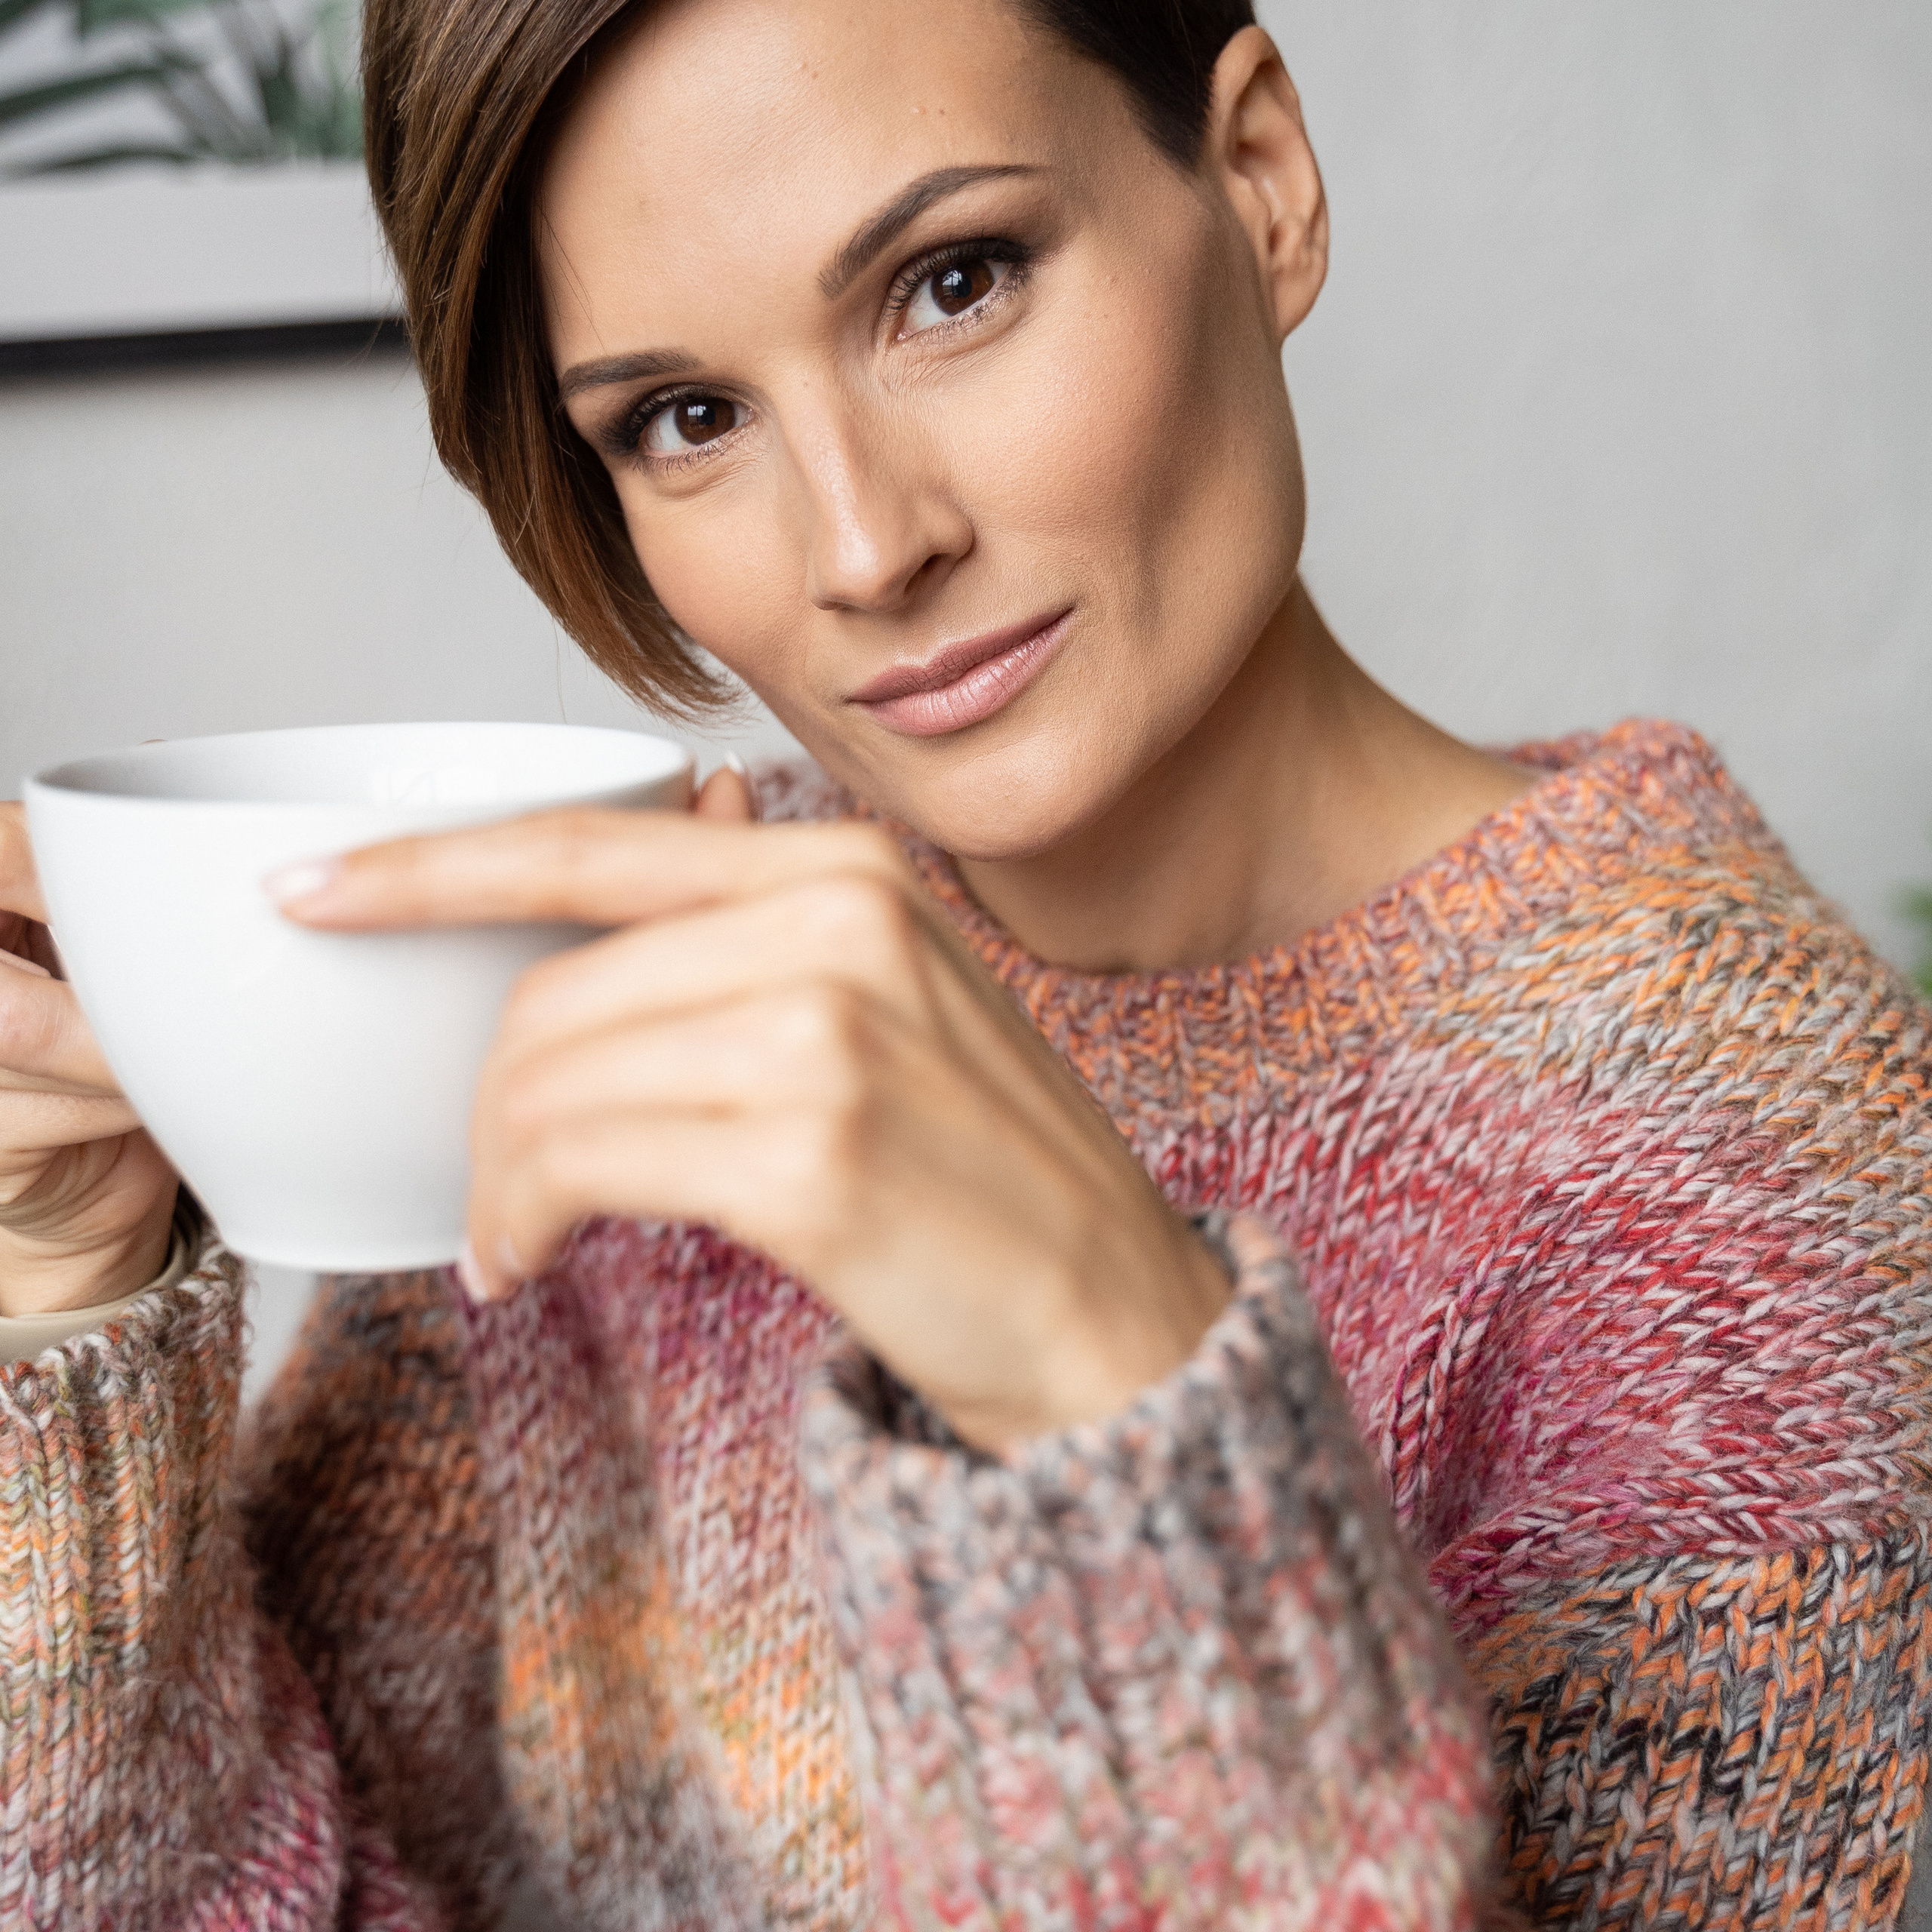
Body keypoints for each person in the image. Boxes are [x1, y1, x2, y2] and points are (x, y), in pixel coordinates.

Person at [2, 0, 1927, 1926]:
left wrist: (1112, 1405)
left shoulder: (1759, 1177)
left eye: (954, 280)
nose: (860, 544)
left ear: (1257, 181)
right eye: (686, 418)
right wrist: (61, 1318)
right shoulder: (637, 998)